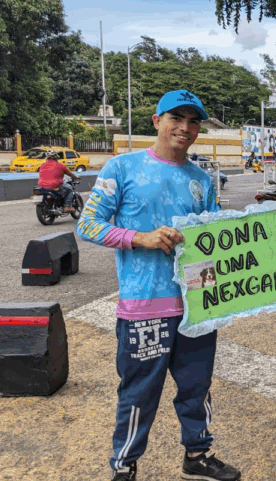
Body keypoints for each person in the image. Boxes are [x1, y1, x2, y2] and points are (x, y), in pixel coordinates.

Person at [77, 89, 241, 481]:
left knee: (197, 387)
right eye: (176, 118)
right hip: (144, 306)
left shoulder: (202, 179)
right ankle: (124, 466)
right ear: (156, 121)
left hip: (197, 305)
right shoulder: (122, 168)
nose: (185, 128)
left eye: (193, 121)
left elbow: (210, 240)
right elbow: (88, 225)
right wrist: (141, 237)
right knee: (138, 393)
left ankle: (197, 455)